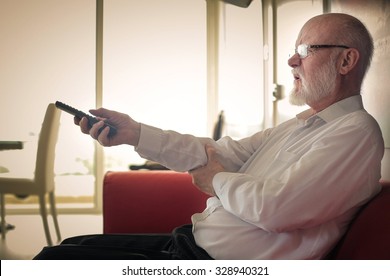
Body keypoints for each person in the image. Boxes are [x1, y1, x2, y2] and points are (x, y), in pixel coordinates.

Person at [34, 13, 384, 260]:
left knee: (54, 262)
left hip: (208, 265)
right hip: (188, 246)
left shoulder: (356, 133)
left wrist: (215, 179)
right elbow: (216, 151)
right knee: (64, 249)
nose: (292, 59)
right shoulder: (299, 125)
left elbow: (275, 208)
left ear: (346, 61)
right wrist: (134, 133)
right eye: (295, 49)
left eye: (306, 50)